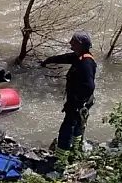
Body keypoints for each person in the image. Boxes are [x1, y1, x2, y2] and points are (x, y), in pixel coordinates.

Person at [40, 31, 97, 167]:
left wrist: (77, 101)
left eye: (73, 41)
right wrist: (49, 60)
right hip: (80, 102)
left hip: (79, 102)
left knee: (66, 128)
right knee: (77, 125)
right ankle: (75, 151)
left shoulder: (86, 63)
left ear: (81, 44)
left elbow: (90, 86)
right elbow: (66, 58)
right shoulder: (79, 57)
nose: (70, 43)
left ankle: (60, 160)